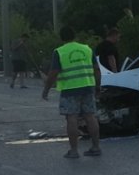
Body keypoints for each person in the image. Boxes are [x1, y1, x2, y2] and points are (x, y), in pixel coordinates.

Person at [42, 27, 103, 158]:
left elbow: (53, 73)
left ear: (61, 38)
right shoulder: (87, 49)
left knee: (72, 118)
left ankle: (74, 150)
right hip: (87, 87)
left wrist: (46, 90)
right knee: (90, 116)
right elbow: (97, 70)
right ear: (75, 36)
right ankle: (96, 147)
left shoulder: (59, 52)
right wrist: (98, 86)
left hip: (70, 89)